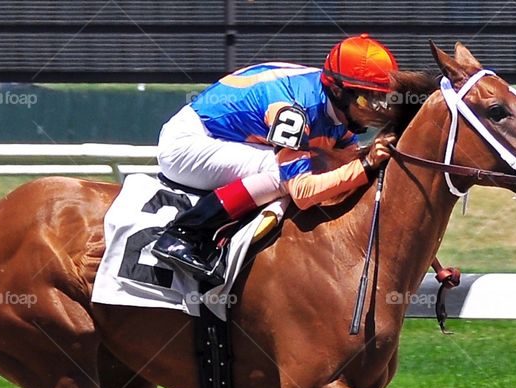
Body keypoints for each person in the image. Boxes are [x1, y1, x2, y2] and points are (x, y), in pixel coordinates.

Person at [152, 34, 399, 285]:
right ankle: (184, 233)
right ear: (338, 91)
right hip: (187, 145)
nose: (375, 109)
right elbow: (302, 192)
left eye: (383, 99)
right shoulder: (293, 111)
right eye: (366, 99)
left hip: (231, 139)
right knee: (281, 175)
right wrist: (366, 163)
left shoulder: (337, 106)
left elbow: (342, 167)